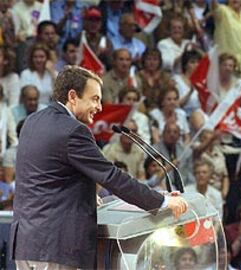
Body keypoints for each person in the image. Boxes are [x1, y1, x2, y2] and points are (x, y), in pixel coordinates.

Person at [10, 66, 188, 270]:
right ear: (73, 96)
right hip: (57, 248)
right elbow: (112, 177)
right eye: (94, 98)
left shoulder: (32, 122)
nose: (100, 107)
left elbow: (45, 177)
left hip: (26, 244)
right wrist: (163, 202)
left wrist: (81, 195)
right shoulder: (73, 131)